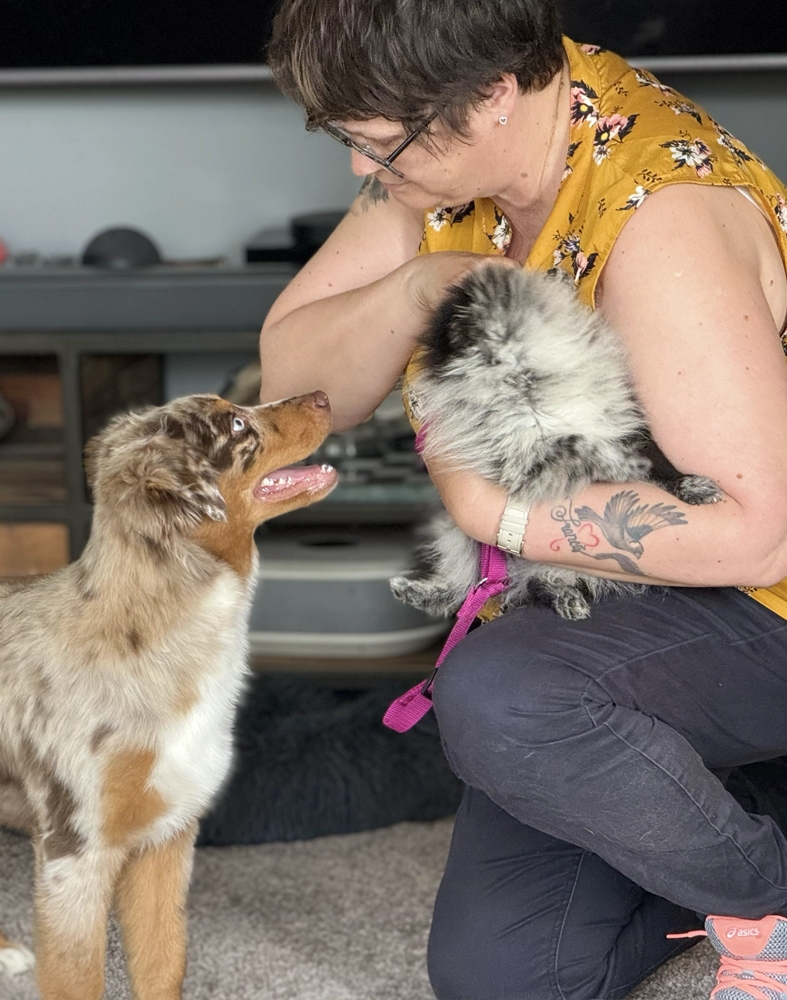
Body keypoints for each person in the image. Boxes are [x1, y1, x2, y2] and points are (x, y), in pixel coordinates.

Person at [259, 1, 787, 997]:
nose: (361, 172)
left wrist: (490, 513)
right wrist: (413, 289)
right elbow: (292, 377)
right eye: (348, 140)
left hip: (761, 605)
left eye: (376, 145)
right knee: (511, 977)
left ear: (492, 93)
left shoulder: (659, 220)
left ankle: (765, 891)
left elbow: (759, 539)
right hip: (616, 606)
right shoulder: (446, 150)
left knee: (505, 698)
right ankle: (718, 812)